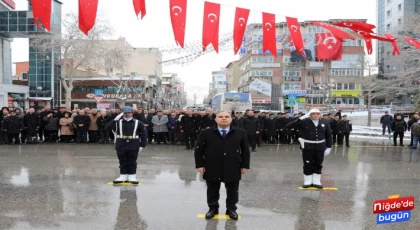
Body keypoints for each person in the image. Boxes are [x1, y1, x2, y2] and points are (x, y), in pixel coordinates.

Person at [194, 111, 250, 220]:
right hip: (212, 165)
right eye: (220, 117)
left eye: (226, 117)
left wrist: (245, 165)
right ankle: (213, 208)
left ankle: (231, 209)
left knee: (233, 190)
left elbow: (245, 150)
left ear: (231, 119)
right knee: (212, 189)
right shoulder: (206, 132)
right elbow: (198, 150)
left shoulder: (240, 132)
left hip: (233, 165)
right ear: (215, 119)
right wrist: (200, 165)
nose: (223, 119)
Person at [286, 109, 332, 189]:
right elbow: (289, 126)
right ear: (310, 115)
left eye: (317, 114)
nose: (315, 115)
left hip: (320, 146)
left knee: (318, 163)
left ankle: (316, 181)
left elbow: (329, 136)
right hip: (308, 146)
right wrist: (301, 118)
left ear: (320, 115)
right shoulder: (304, 122)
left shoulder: (324, 123)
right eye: (313, 114)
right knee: (308, 163)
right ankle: (307, 180)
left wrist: (328, 147)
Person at [105, 106, 147, 184]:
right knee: (122, 161)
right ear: (122, 114)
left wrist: (142, 145)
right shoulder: (118, 122)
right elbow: (107, 127)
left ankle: (132, 176)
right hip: (121, 144)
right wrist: (115, 119)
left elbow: (144, 134)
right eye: (125, 113)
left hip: (133, 144)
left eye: (129, 113)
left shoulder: (138, 122)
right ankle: (123, 176)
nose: (127, 114)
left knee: (132, 161)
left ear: (132, 113)